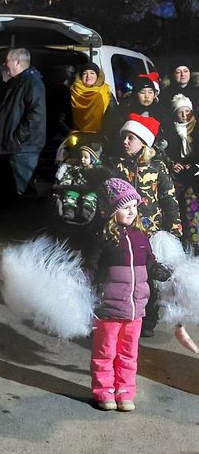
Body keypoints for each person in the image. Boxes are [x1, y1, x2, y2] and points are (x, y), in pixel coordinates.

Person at [83, 178, 170, 411]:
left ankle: (125, 392)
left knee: (129, 353)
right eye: (125, 207)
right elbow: (90, 266)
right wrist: (81, 285)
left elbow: (150, 261)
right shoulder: (103, 238)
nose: (132, 211)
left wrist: (159, 270)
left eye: (134, 206)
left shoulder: (141, 236)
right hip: (108, 310)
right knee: (105, 352)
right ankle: (104, 392)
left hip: (136, 311)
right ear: (111, 211)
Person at [113, 113, 182, 337]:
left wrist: (174, 227)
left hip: (150, 232)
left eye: (131, 138)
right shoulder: (117, 165)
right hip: (123, 231)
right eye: (124, 137)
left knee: (148, 278)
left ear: (143, 142)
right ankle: (120, 314)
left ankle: (148, 319)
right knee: (123, 275)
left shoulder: (157, 167)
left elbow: (168, 198)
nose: (125, 142)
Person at [0, 48, 47, 196]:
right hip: (17, 148)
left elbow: (35, 116)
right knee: (14, 190)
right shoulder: (18, 82)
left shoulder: (32, 83)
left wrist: (17, 138)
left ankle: (27, 211)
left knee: (24, 192)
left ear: (17, 62)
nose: (5, 65)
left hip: (24, 148)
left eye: (7, 61)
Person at [165, 94, 199, 252]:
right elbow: (168, 153)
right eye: (180, 112)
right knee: (181, 211)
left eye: (187, 111)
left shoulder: (197, 128)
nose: (185, 115)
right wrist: (173, 164)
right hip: (179, 176)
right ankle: (185, 243)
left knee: (194, 210)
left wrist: (193, 166)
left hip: (195, 175)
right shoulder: (170, 131)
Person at [57, 143, 103, 223]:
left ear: (93, 159)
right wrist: (66, 183)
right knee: (70, 194)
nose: (82, 159)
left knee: (91, 197)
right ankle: (69, 211)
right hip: (76, 188)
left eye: (86, 157)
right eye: (81, 156)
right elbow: (68, 175)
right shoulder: (77, 168)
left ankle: (86, 212)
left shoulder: (98, 170)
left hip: (90, 190)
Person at [68, 62, 113, 134]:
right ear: (81, 76)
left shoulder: (105, 91)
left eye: (92, 73)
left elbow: (113, 115)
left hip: (100, 135)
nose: (88, 76)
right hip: (77, 135)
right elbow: (62, 117)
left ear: (97, 76)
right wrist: (69, 130)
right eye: (85, 73)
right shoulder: (72, 91)